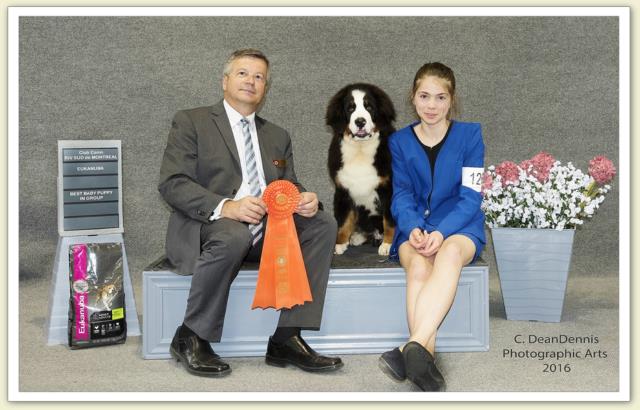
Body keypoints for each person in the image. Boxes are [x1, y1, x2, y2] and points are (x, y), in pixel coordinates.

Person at [158, 48, 342, 377]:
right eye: (243, 73)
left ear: (265, 88)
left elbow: (288, 186)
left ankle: (287, 337)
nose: (251, 81)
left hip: (266, 231)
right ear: (225, 80)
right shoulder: (192, 121)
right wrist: (227, 206)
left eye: (259, 77)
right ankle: (191, 335)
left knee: (322, 224)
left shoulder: (277, 135)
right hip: (210, 225)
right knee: (233, 232)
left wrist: (305, 199)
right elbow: (172, 183)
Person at [379, 62, 485, 391]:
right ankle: (422, 356)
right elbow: (401, 196)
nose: (432, 106)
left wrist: (442, 232)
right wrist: (412, 227)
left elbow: (472, 196)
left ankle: (409, 347)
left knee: (449, 255)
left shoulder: (471, 135)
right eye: (424, 96)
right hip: (415, 229)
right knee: (419, 269)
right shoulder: (398, 141)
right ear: (413, 98)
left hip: (461, 226)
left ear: (451, 100)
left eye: (440, 98)